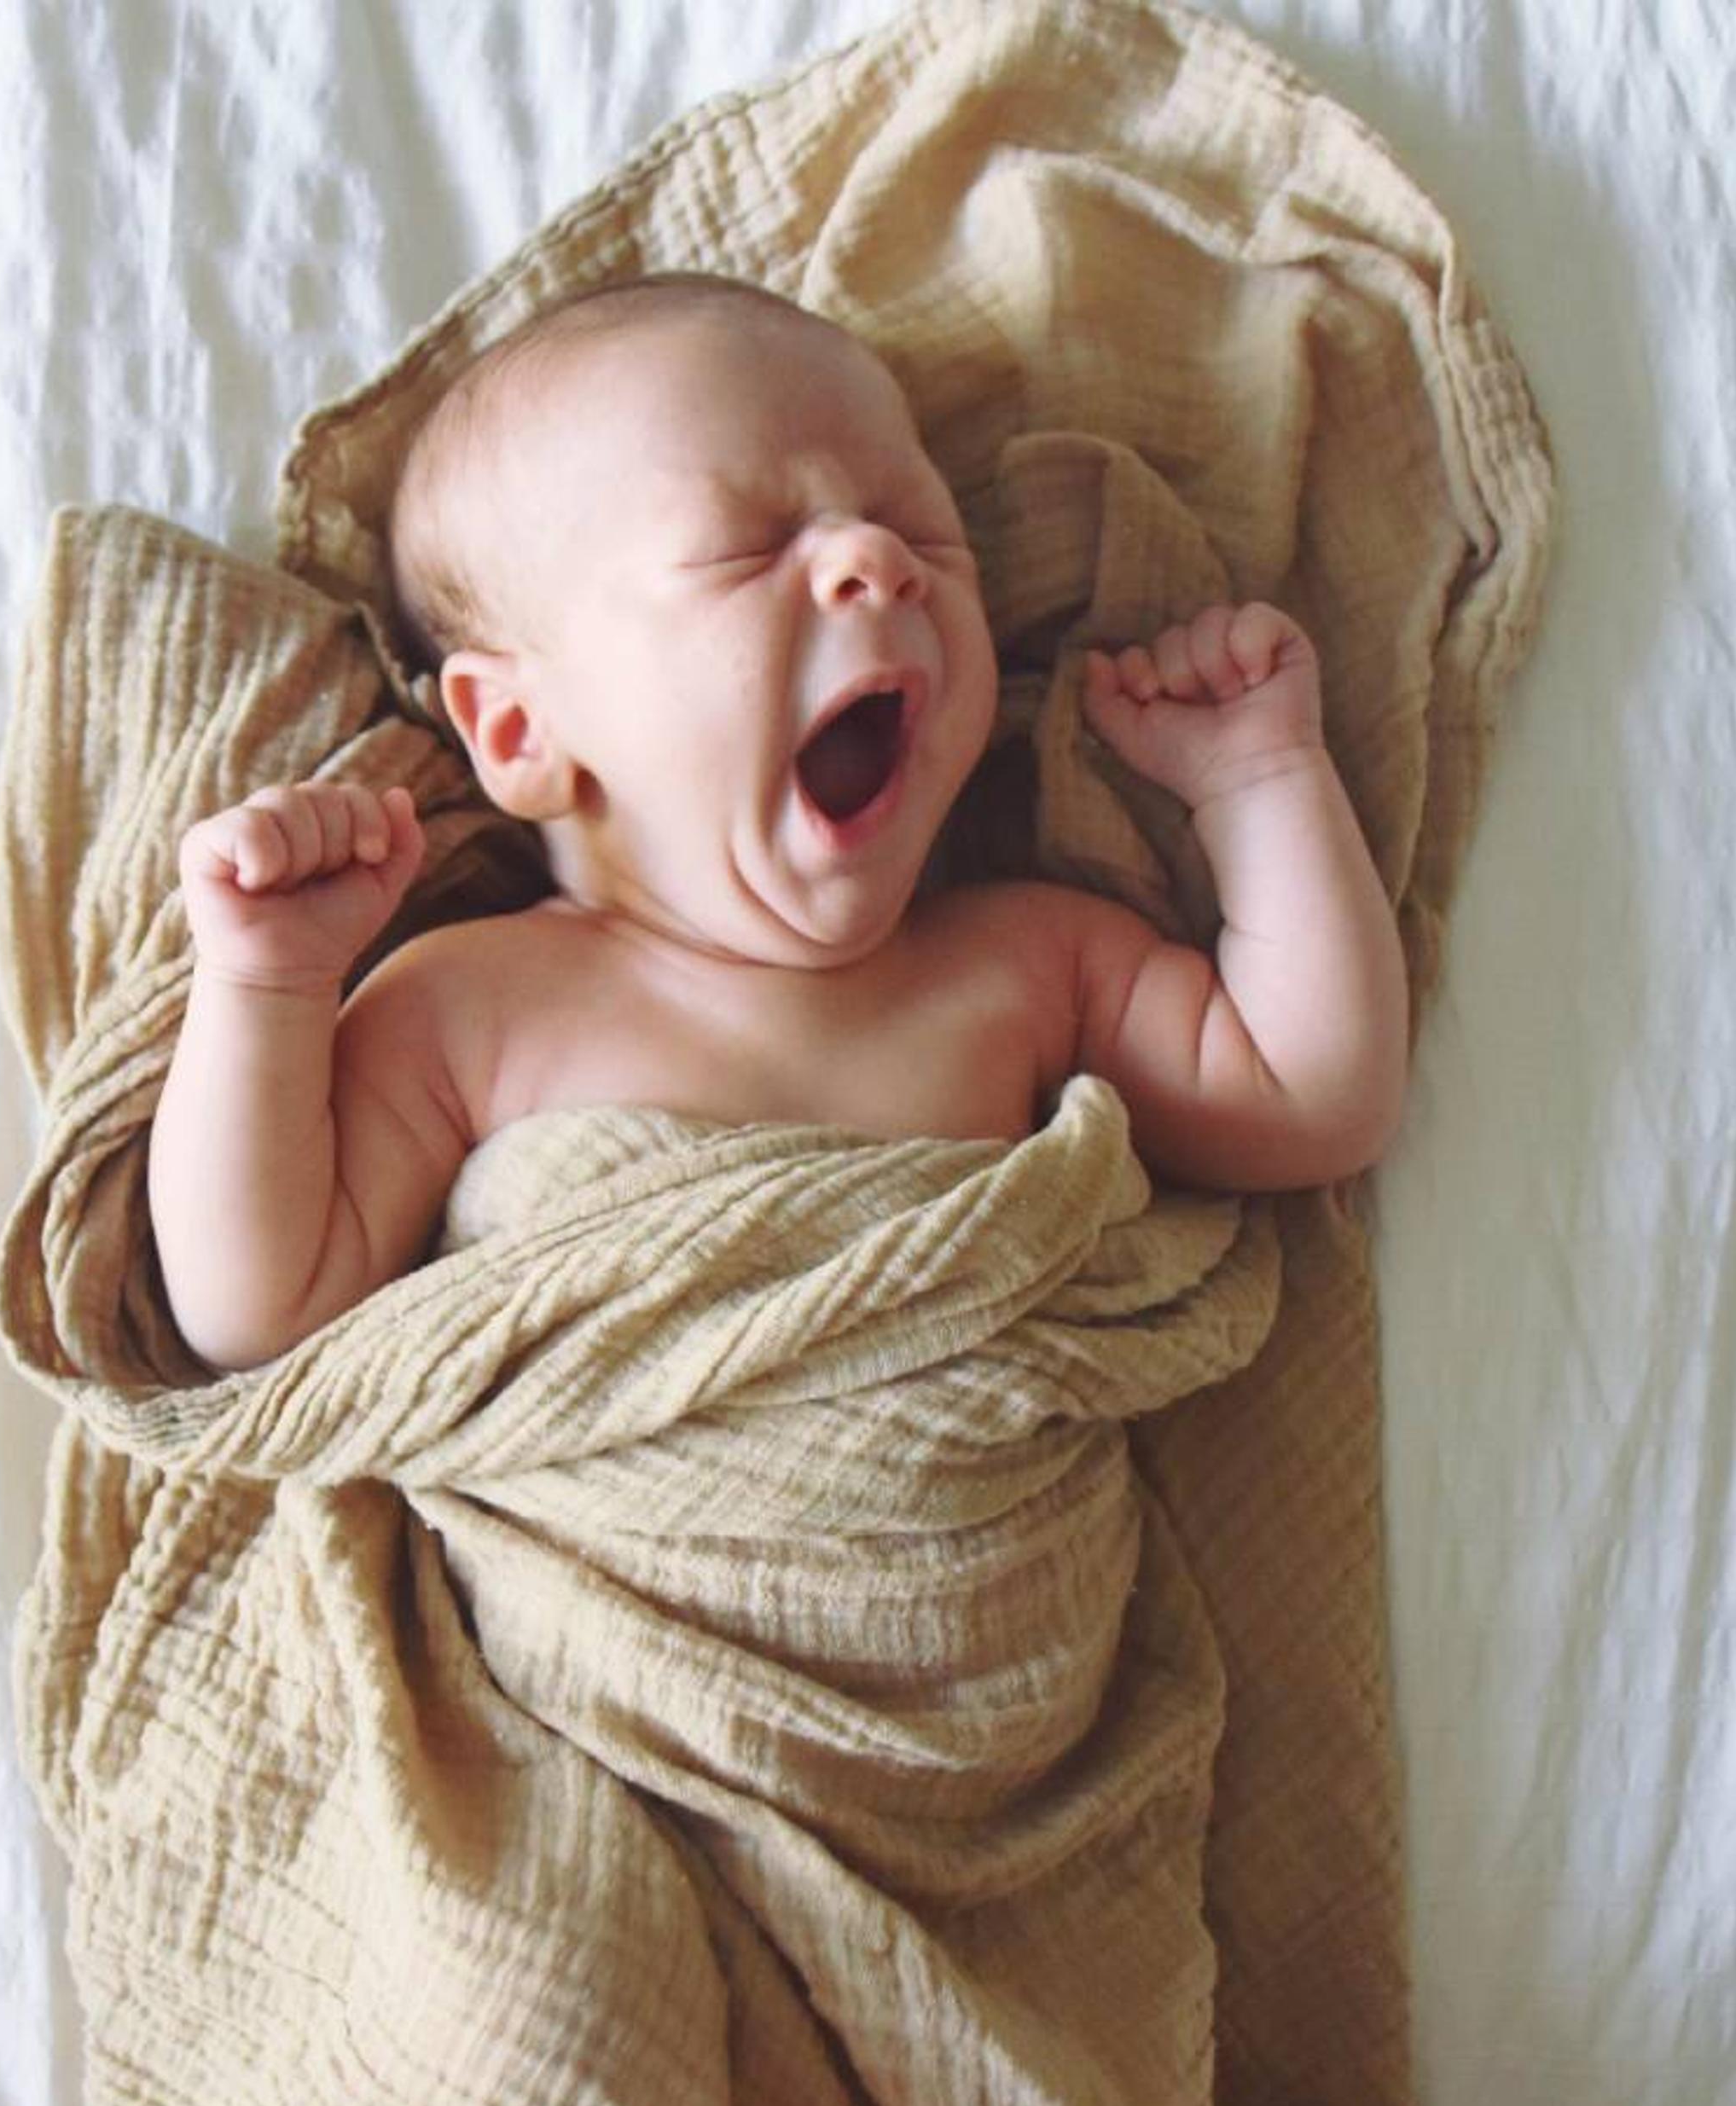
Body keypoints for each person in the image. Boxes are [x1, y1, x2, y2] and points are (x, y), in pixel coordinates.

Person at [150, 273, 1408, 1372]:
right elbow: (259, 1305)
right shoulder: (471, 1008)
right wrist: (264, 989)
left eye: (922, 527)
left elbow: (1312, 1098)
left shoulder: (1030, 965)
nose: (879, 558)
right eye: (742, 550)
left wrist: (1259, 783)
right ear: (523, 731)